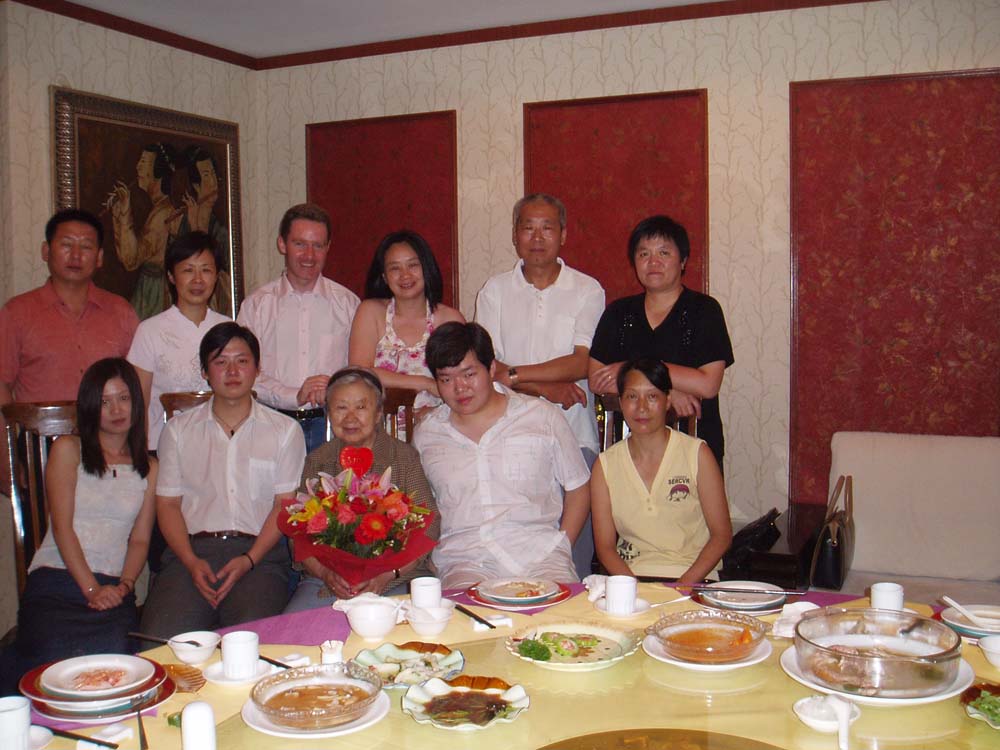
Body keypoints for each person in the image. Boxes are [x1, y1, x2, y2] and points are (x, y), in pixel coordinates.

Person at [139, 323, 306, 636]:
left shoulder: (284, 431)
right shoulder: (178, 431)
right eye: (220, 362)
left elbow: (284, 506)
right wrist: (190, 561)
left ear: (258, 369)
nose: (232, 371)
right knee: (161, 643)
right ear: (205, 371)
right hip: (190, 553)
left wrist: (249, 559)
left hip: (259, 556)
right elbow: (169, 505)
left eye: (242, 361)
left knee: (251, 645)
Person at [4, 358, 157, 690]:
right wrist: (91, 588)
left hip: (115, 588)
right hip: (57, 582)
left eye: (124, 398)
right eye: (104, 401)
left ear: (136, 400)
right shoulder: (68, 449)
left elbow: (140, 540)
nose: (116, 409)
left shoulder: (150, 466)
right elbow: (62, 528)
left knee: (116, 664)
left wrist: (124, 586)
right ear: (90, 407)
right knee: (53, 663)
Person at [475, 193, 605, 577]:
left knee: (572, 554)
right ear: (515, 235)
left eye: (547, 227)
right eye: (528, 227)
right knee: (514, 553)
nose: (537, 236)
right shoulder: (495, 291)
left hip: (575, 431)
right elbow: (486, 368)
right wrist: (547, 389)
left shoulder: (587, 290)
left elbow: (582, 361)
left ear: (563, 234)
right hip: (509, 437)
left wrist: (517, 376)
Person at [414, 322, 590, 589]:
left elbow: (578, 485)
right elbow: (420, 507)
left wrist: (563, 543)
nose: (459, 388)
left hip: (541, 556)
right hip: (465, 562)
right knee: (467, 624)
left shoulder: (542, 416)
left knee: (561, 621)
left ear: (492, 369)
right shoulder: (427, 433)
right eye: (446, 379)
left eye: (469, 374)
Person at [0, 209, 139, 485]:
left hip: (110, 446)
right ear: (45, 251)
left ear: (99, 257)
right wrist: (6, 462)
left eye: (86, 247)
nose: (76, 255)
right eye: (66, 245)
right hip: (38, 446)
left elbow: (137, 386)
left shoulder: (121, 312)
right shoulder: (17, 313)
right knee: (47, 529)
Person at [284, 367, 439, 612]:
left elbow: (430, 526)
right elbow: (297, 531)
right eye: (341, 407)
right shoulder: (318, 460)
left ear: (378, 414)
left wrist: (388, 574)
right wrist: (325, 573)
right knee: (296, 628)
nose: (350, 418)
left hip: (397, 579)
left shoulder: (403, 456)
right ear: (328, 413)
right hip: (327, 581)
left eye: (361, 407)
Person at [589, 215, 734, 466]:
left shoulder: (704, 311)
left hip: (693, 447)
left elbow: (708, 384)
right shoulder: (618, 313)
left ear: (683, 261)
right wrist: (667, 392)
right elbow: (597, 379)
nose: (653, 262)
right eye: (643, 254)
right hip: (629, 448)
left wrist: (630, 371)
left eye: (664, 253)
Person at [590, 358, 732, 582]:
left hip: (693, 579)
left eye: (652, 396)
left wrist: (683, 586)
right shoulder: (605, 465)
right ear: (621, 402)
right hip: (632, 579)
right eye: (632, 396)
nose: (642, 407)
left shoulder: (697, 454)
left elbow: (722, 535)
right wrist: (633, 589)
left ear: (668, 401)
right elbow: (605, 548)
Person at [237, 203, 360, 452]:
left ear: (328, 248)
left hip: (332, 425)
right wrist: (294, 395)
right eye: (300, 244)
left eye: (318, 245)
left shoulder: (348, 304)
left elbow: (360, 369)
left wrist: (336, 388)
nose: (309, 256)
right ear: (282, 244)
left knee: (335, 492)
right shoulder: (257, 305)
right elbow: (244, 372)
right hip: (271, 422)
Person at [127, 231, 230, 452]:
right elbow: (139, 404)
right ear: (172, 276)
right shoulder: (150, 331)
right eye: (188, 270)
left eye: (206, 270)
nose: (198, 280)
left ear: (216, 276)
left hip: (221, 451)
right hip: (164, 450)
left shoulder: (230, 329)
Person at [348, 230, 464, 411]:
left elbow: (462, 380)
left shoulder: (449, 318)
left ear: (426, 268)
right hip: (380, 430)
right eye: (395, 268)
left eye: (413, 265)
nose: (405, 275)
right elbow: (360, 373)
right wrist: (425, 383)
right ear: (384, 277)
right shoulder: (370, 312)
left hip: (437, 426)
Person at [107, 142, 180, 320]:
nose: (138, 167)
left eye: (144, 162)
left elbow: (131, 260)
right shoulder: (157, 209)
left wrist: (125, 214)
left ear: (158, 171)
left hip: (154, 294)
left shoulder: (162, 215)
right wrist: (120, 216)